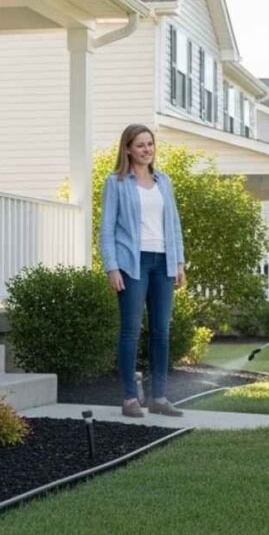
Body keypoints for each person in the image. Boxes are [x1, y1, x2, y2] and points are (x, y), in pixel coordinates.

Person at [99, 124, 186, 418]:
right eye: (140, 145)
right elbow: (107, 229)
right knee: (131, 331)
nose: (147, 150)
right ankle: (129, 399)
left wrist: (179, 262)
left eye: (150, 144)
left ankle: (159, 398)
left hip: (163, 262)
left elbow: (173, 225)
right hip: (131, 264)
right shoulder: (116, 182)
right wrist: (112, 267)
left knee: (161, 332)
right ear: (127, 149)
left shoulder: (164, 182)